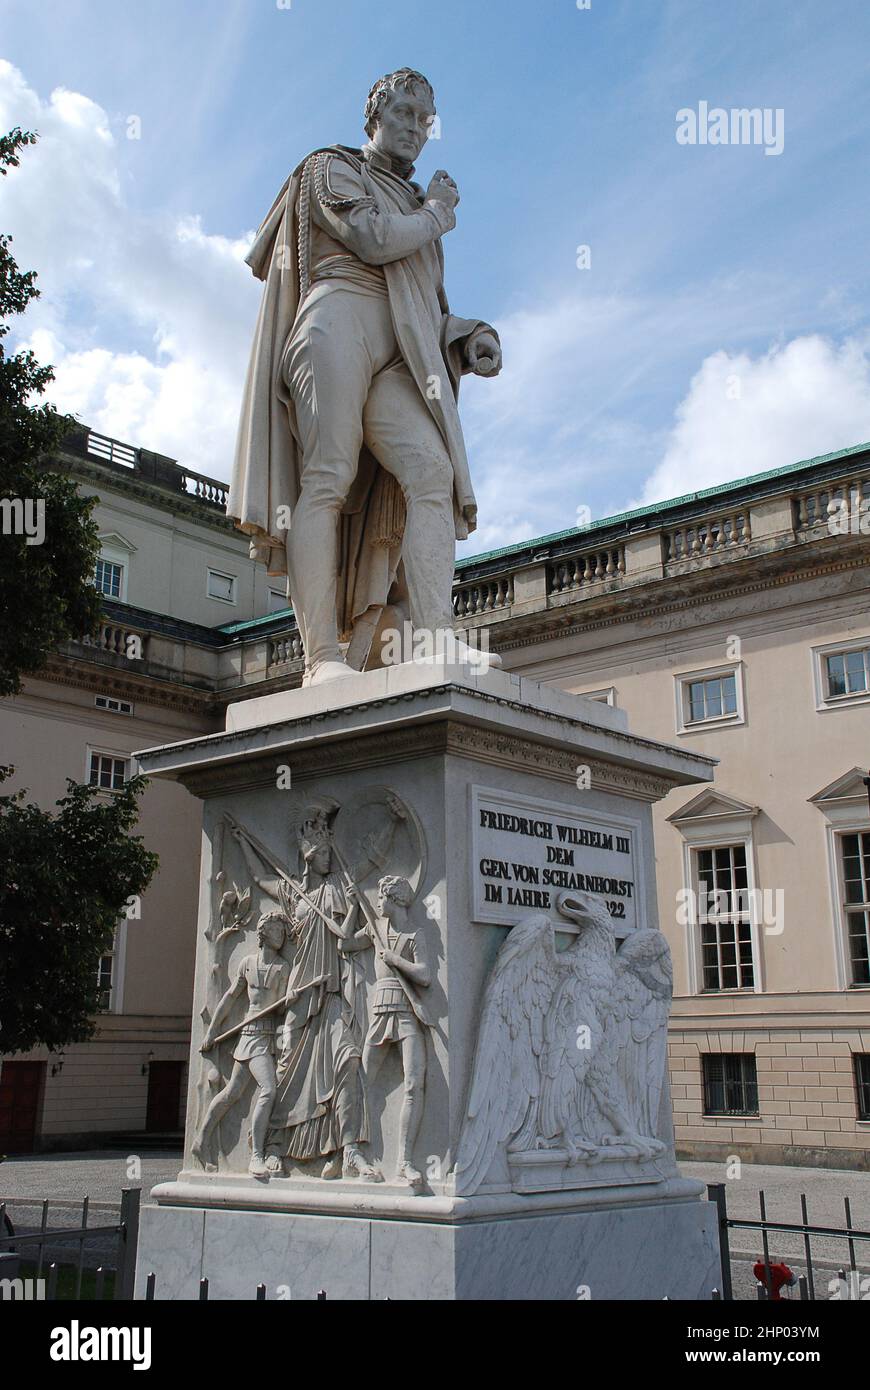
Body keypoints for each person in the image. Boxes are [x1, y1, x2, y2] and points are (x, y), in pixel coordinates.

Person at [228, 67, 502, 685]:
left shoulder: (417, 207)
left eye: (424, 120)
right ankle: (322, 658)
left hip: (403, 350)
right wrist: (438, 212)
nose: (414, 128)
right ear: (373, 116)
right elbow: (372, 239)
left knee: (431, 473)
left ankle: (435, 646)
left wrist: (472, 334)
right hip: (336, 320)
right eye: (403, 113)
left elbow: (427, 302)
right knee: (326, 478)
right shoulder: (331, 168)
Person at [193, 912, 290, 1177]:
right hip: (249, 1033)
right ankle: (246, 1152)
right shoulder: (247, 963)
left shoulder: (283, 968)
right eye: (277, 931)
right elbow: (230, 998)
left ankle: (205, 1141)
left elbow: (282, 1012)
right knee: (257, 1091)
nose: (281, 936)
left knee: (237, 1092)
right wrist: (211, 1032)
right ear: (264, 934)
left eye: (283, 932)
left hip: (268, 1035)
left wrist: (288, 1000)